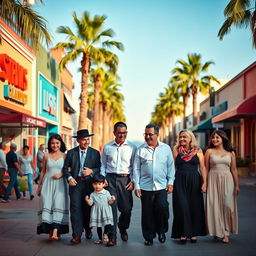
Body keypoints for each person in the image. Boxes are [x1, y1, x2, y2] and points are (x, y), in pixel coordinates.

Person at [133, 123, 175, 246]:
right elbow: (136, 169)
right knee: (147, 213)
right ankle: (149, 237)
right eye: (145, 134)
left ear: (157, 135)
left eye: (150, 134)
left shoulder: (166, 148)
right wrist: (137, 186)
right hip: (145, 187)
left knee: (162, 208)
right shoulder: (140, 149)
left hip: (161, 186)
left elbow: (170, 167)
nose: (147, 137)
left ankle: (161, 230)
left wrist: (170, 182)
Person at [100, 122, 137, 246]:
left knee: (126, 209)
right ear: (114, 133)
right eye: (120, 132)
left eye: (124, 132)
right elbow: (103, 165)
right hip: (110, 179)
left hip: (125, 180)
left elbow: (134, 167)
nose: (122, 135)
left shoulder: (132, 147)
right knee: (111, 208)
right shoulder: (107, 147)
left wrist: (133, 181)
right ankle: (112, 237)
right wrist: (103, 178)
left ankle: (122, 227)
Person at [62, 129, 101, 245]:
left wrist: (92, 171)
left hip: (89, 184)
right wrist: (69, 178)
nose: (86, 141)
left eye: (88, 139)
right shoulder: (71, 153)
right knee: (75, 209)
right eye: (84, 139)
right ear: (78, 140)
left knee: (88, 208)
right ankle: (77, 235)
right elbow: (65, 169)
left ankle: (88, 228)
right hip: (76, 184)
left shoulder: (95, 153)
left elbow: (99, 168)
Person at [171, 129, 207, 243]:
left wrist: (204, 183)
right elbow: (172, 168)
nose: (182, 139)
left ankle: (193, 233)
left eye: (184, 137)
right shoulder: (176, 150)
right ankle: (183, 233)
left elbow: (202, 168)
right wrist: (170, 183)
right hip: (179, 180)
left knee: (194, 207)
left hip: (195, 181)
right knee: (182, 206)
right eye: (180, 137)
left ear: (191, 138)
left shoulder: (198, 151)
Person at [205, 130, 239, 244]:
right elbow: (205, 168)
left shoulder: (231, 153)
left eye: (217, 137)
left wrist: (237, 185)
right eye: (213, 138)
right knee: (214, 205)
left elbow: (234, 169)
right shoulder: (209, 151)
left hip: (227, 179)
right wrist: (204, 183)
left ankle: (225, 230)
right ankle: (222, 233)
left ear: (223, 139)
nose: (214, 139)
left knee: (227, 205)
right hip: (213, 179)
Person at [37, 134, 69, 240]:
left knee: (58, 204)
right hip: (47, 183)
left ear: (60, 144)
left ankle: (55, 231)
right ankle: (51, 230)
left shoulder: (65, 156)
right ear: (49, 144)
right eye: (52, 143)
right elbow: (43, 171)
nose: (55, 145)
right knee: (48, 204)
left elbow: (70, 169)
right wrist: (39, 186)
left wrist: (61, 174)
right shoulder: (46, 155)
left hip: (60, 184)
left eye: (57, 143)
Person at [85, 174, 115, 245]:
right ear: (92, 184)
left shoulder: (106, 192)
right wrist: (87, 200)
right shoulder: (92, 194)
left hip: (106, 211)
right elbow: (90, 204)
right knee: (99, 226)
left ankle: (105, 234)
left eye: (99, 184)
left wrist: (112, 200)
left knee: (107, 224)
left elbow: (109, 202)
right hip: (97, 212)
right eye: (95, 184)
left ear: (104, 184)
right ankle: (100, 239)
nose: (97, 186)